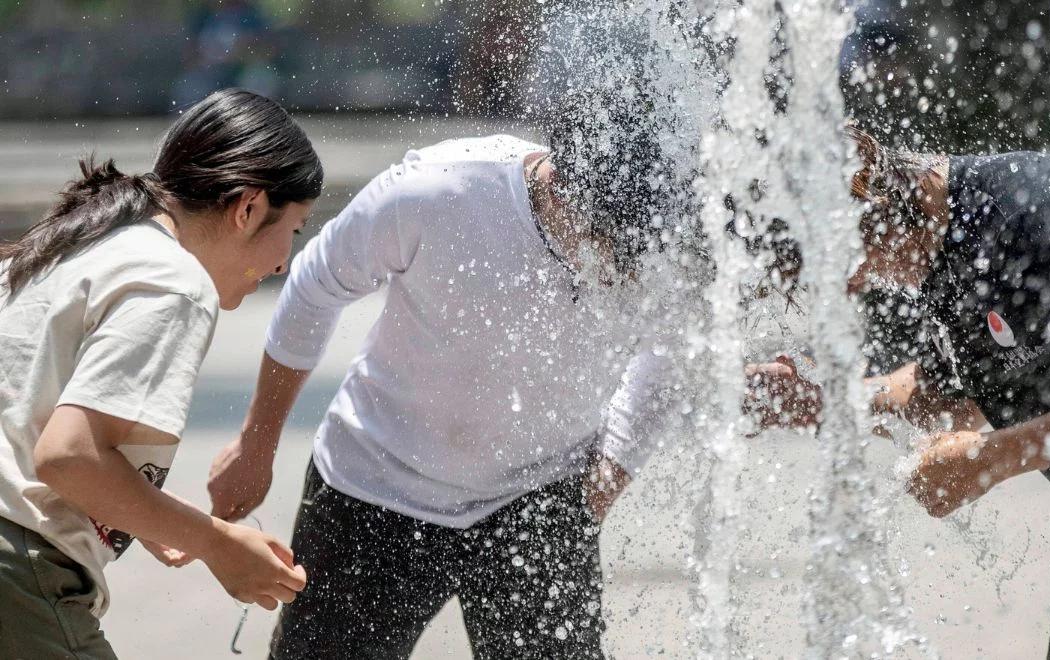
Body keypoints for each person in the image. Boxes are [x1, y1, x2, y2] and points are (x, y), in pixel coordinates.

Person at [205, 81, 688, 658]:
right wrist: (257, 444)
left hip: (539, 496)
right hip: (375, 483)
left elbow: (672, 349)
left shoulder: (664, 230)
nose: (617, 275)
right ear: (562, 187)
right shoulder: (437, 192)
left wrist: (612, 470)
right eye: (605, 247)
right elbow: (314, 285)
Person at [749, 127, 1050, 657]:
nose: (852, 285)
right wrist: (824, 399)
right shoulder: (945, 262)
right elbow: (942, 398)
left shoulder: (1036, 212)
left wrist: (992, 458)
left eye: (841, 263)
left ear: (868, 185)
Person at [0, 89, 322, 659]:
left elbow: (26, 412)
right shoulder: (174, 282)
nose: (282, 263)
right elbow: (67, 455)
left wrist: (149, 520)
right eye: (293, 230)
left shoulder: (78, 239)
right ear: (247, 206)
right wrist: (219, 545)